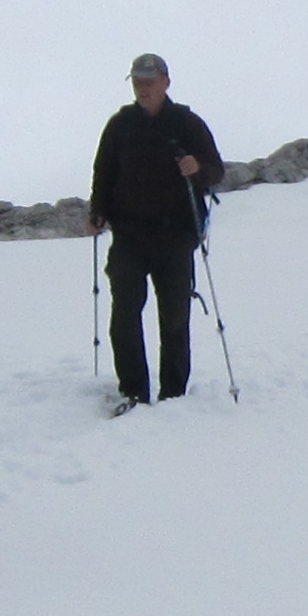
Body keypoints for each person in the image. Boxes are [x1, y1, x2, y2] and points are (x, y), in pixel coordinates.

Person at [89, 53, 224, 405]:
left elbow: (216, 172)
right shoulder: (120, 125)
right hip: (130, 236)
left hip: (176, 236)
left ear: (165, 82)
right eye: (137, 82)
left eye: (149, 81)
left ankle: (174, 395)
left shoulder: (187, 123)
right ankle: (133, 391)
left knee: (175, 318)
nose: (143, 88)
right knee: (124, 316)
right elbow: (103, 171)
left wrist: (198, 169)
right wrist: (97, 211)